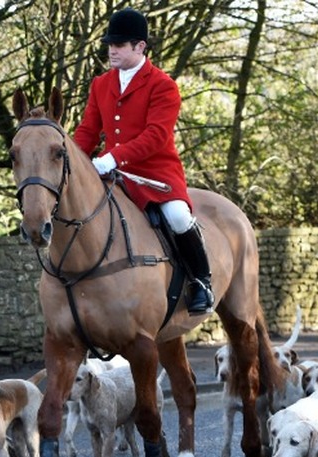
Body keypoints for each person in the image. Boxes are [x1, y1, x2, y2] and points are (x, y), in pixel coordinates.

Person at [73, 8, 213, 315]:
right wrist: (71, 161)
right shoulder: (100, 84)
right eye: (110, 44)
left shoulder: (163, 85)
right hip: (112, 173)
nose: (112, 50)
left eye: (120, 45)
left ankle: (201, 281)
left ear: (140, 47)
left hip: (155, 174)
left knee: (177, 216)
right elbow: (87, 131)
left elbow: (156, 136)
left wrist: (111, 158)